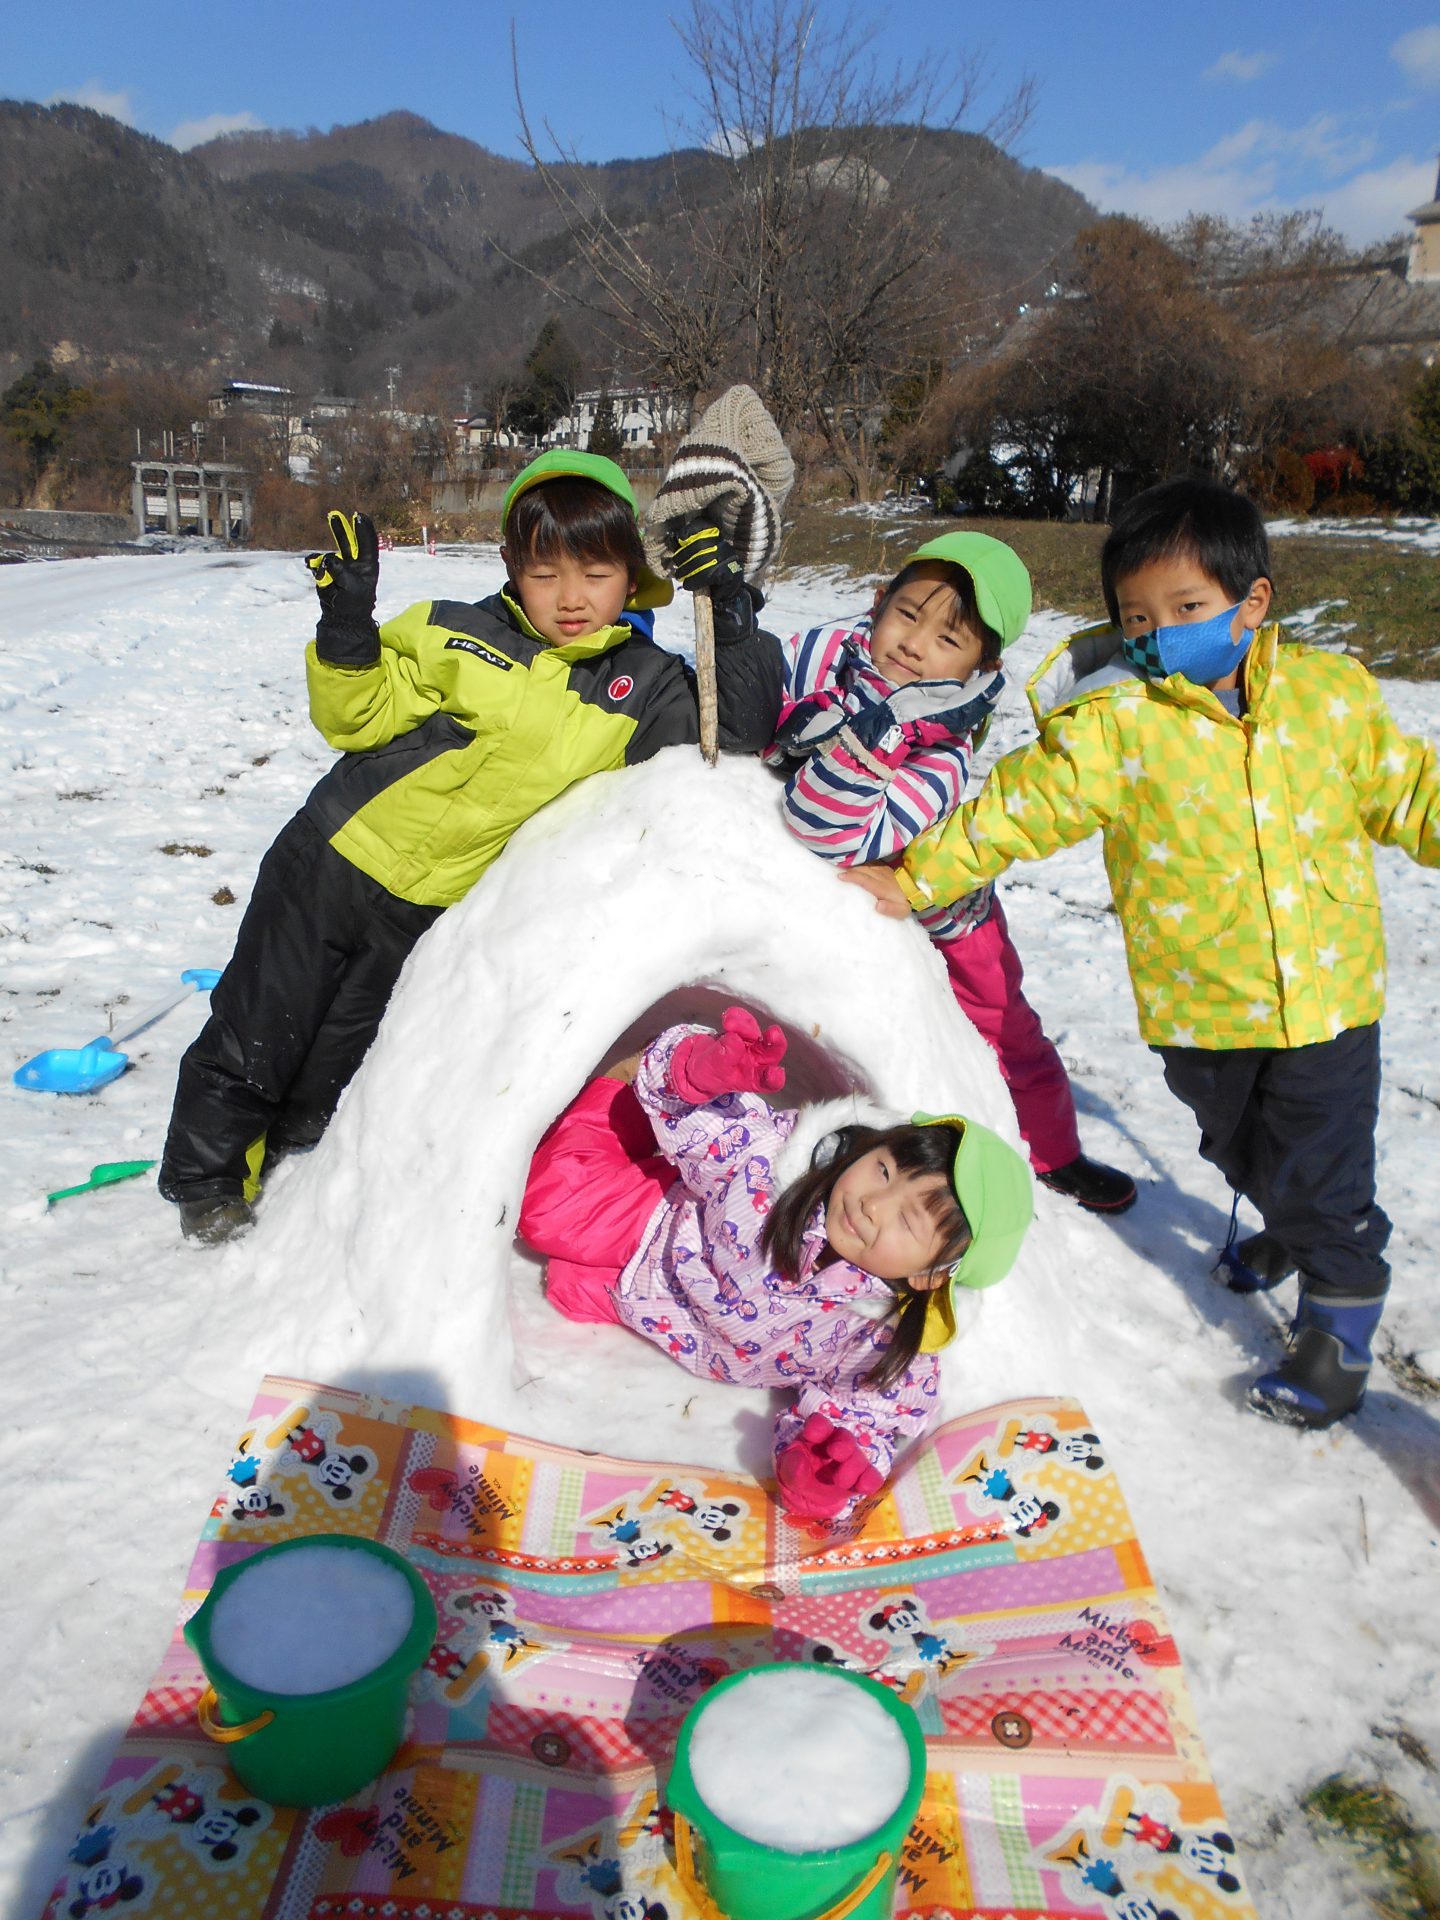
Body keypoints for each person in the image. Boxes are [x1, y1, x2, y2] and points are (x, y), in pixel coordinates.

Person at [841, 477, 1440, 1430]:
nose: (1160, 632)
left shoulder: (1331, 698)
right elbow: (1016, 810)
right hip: (1200, 1002)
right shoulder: (1120, 723)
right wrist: (913, 877)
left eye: (1187, 609)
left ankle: (1340, 1307)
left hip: (1330, 997)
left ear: (1253, 604)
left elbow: (1411, 794)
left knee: (1322, 1167)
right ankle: (1295, 1219)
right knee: (1237, 1146)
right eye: (1136, 615)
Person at [159, 451, 784, 1245]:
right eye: (545, 571)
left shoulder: (647, 684)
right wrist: (348, 629)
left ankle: (291, 1156)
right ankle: (206, 1178)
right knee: (260, 1023)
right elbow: (357, 719)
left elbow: (734, 738)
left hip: (430, 904)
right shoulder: (455, 630)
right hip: (334, 855)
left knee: (339, 1051)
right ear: (511, 567)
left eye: (595, 573)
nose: (569, 598)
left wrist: (731, 614)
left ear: (631, 577)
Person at [746, 530, 1136, 1212]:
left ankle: (1054, 1152)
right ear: (877, 604)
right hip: (851, 907)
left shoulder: (942, 752)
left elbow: (845, 833)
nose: (914, 643)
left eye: (948, 640)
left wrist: (874, 733)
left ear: (979, 667)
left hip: (947, 914)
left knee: (1003, 1028)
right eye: (907, 613)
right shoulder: (818, 658)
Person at [519, 1007, 1033, 1522]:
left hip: (664, 1309)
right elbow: (706, 1118)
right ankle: (621, 1101)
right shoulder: (771, 1167)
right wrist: (699, 1070)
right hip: (655, 1224)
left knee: (570, 1284)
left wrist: (821, 1470)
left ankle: (614, 1284)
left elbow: (864, 1415)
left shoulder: (880, 1338)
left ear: (929, 1275)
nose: (873, 1203)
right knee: (545, 1210)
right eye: (883, 1169)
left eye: (909, 1219)